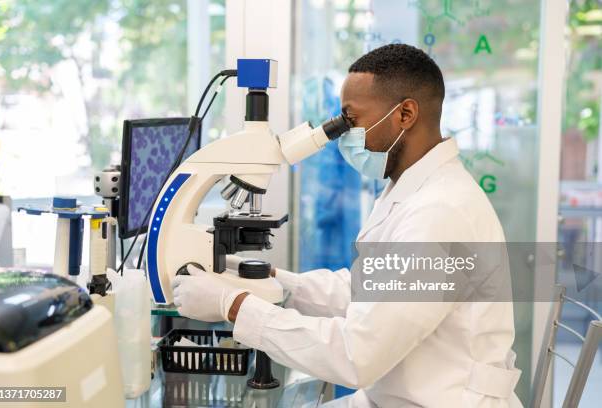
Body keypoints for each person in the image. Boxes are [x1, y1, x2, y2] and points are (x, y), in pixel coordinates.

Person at [172, 44, 522, 407]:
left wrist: (233, 305)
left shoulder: (440, 213)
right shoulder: (410, 189)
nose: (345, 134)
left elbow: (358, 355)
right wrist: (277, 280)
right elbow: (365, 290)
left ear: (405, 114)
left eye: (352, 121)